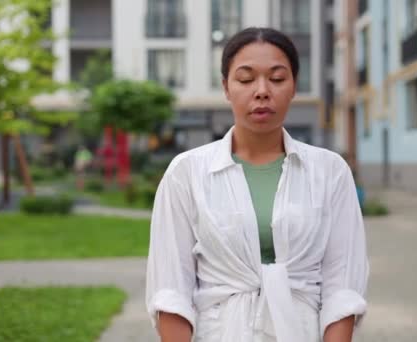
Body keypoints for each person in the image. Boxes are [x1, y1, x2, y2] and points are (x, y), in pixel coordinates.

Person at [146, 27, 369, 342]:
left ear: (294, 86)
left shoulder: (329, 172)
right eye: (246, 79)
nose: (262, 91)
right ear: (226, 87)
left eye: (277, 79)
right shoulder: (187, 172)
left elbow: (342, 287)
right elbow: (171, 290)